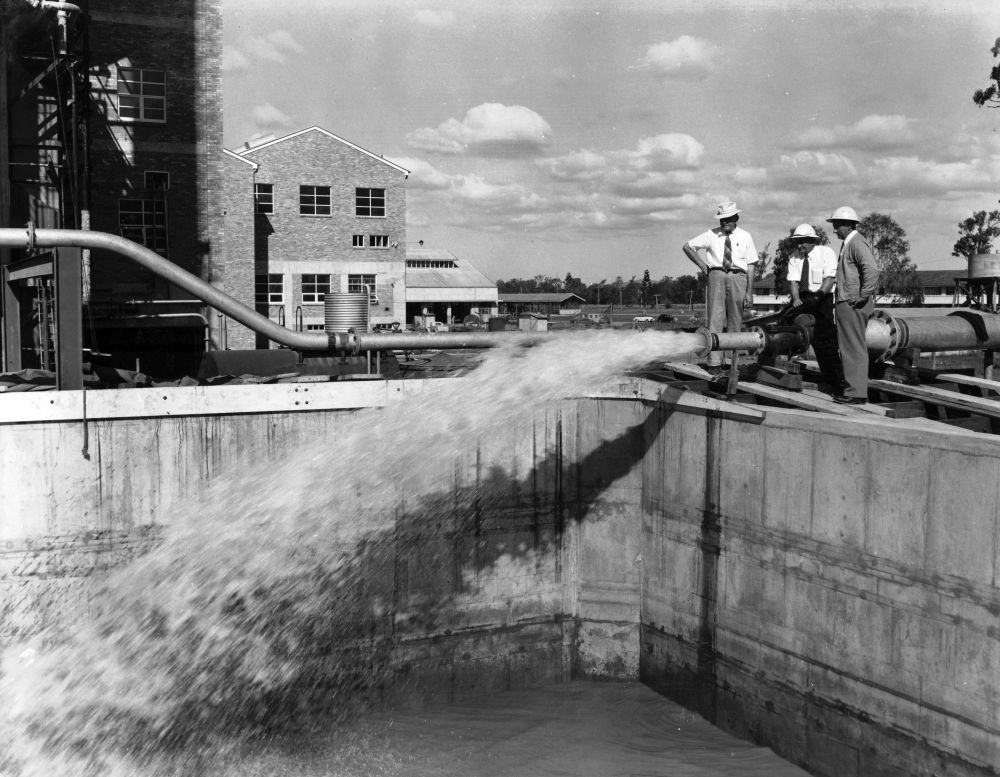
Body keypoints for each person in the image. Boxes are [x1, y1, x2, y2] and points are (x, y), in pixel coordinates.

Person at [683, 201, 758, 373]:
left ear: (736, 218)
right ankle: (714, 363)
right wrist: (703, 266)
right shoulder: (711, 234)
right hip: (716, 275)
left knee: (735, 320)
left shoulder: (746, 236)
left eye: (728, 219)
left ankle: (733, 362)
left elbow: (752, 265)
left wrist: (749, 292)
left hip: (738, 276)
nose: (724, 222)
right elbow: (687, 246)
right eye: (721, 219)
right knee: (715, 319)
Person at [826, 206, 878, 405]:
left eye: (837, 225)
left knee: (852, 347)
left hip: (851, 303)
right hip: (848, 301)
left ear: (848, 225)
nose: (835, 230)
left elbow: (871, 270)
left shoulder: (856, 243)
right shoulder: (851, 243)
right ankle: (853, 389)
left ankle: (855, 392)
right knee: (849, 346)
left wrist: (863, 295)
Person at [786, 223, 845, 394]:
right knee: (789, 329)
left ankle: (837, 382)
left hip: (822, 298)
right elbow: (794, 282)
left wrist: (818, 297)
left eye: (803, 241)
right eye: (797, 242)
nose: (799, 245)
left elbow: (830, 279)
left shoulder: (826, 253)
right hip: (804, 298)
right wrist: (796, 300)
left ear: (812, 241)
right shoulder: (794, 257)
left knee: (826, 340)